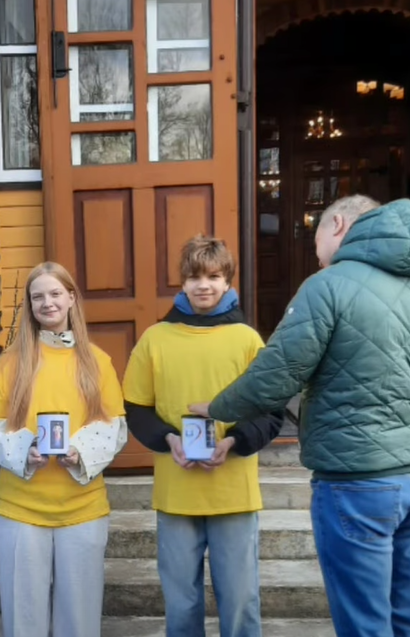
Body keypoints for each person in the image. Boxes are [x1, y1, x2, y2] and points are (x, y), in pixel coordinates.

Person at [190, 196, 410, 637]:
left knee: (365, 623)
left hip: (357, 479)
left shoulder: (328, 285)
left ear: (337, 224)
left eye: (316, 238)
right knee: (409, 615)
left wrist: (219, 408)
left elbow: (278, 373)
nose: (316, 252)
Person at [122, 235, 283, 637]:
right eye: (195, 277)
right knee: (181, 603)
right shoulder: (155, 339)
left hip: (233, 493)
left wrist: (234, 441)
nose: (204, 285)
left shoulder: (247, 340)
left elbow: (271, 411)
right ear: (182, 282)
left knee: (240, 601)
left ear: (228, 281)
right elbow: (136, 407)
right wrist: (168, 439)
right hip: (176, 494)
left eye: (213, 276)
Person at [0, 261, 127, 637]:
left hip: (83, 508)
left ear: (72, 298)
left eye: (56, 293)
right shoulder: (10, 364)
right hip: (22, 510)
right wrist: (24, 448)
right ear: (29, 305)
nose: (48, 303)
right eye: (38, 296)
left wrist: (81, 451)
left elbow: (114, 426)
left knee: (80, 620)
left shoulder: (97, 362)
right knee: (24, 618)